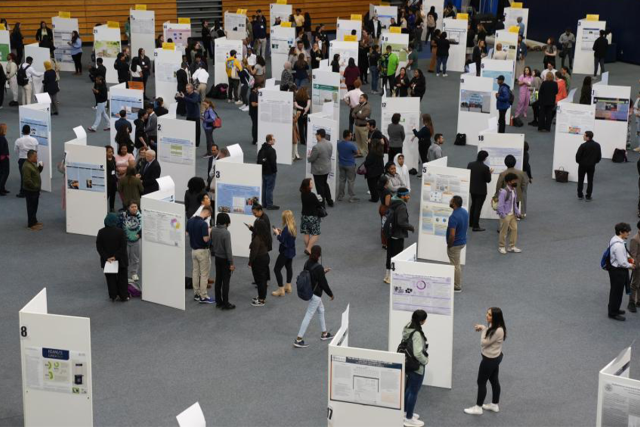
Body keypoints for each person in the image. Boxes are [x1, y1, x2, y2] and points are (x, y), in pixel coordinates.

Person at [464, 308, 507, 415]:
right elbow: (489, 334)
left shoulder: (498, 330)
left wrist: (483, 329)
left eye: (490, 315)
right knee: (494, 380)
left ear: (496, 317)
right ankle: (494, 404)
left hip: (490, 360)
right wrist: (485, 328)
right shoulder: (495, 326)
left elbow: (484, 342)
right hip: (495, 357)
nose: (486, 316)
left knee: (481, 382)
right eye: (487, 313)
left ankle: (478, 407)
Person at [293, 245, 334, 348]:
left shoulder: (307, 263)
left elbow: (311, 275)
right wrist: (331, 294)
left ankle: (324, 333)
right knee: (309, 315)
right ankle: (299, 339)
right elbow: (323, 283)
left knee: (321, 310)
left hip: (309, 291)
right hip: (316, 295)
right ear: (319, 255)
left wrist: (323, 272)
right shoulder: (319, 267)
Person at [402, 309, 429, 427]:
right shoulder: (417, 334)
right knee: (413, 391)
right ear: (422, 321)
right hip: (416, 366)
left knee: (408, 389)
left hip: (407, 362)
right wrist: (425, 360)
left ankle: (404, 412)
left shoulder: (408, 326)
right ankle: (409, 418)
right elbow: (418, 353)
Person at [96, 213, 130, 302]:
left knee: (110, 278)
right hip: (121, 260)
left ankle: (113, 296)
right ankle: (123, 296)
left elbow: (99, 247)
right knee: (122, 278)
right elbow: (123, 247)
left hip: (107, 261)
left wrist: (107, 257)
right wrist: (115, 257)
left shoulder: (101, 232)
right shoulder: (121, 232)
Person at [384, 187, 414, 283]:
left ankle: (387, 275)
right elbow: (401, 222)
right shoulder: (401, 206)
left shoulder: (393, 202)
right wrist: (411, 227)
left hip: (390, 233)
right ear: (403, 196)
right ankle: (393, 277)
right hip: (397, 234)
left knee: (389, 255)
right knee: (397, 256)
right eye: (407, 195)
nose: (409, 197)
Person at [606, 223, 635, 321]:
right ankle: (613, 313)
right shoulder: (618, 246)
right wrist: (631, 265)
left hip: (614, 269)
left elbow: (624, 255)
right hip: (618, 271)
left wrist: (629, 258)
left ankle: (615, 309)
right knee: (616, 292)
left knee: (615, 291)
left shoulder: (614, 239)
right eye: (627, 231)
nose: (629, 233)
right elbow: (622, 262)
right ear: (621, 232)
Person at [187, 205, 214, 304]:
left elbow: (187, 233)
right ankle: (204, 296)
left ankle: (196, 294)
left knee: (195, 272)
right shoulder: (203, 224)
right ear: (207, 213)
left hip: (193, 250)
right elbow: (205, 239)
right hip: (203, 251)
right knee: (204, 274)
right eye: (209, 215)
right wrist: (209, 232)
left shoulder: (190, 221)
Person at [210, 212, 236, 310]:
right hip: (225, 260)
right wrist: (231, 263)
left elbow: (212, 243)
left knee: (218, 280)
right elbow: (228, 250)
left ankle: (218, 301)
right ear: (226, 222)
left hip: (217, 258)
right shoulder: (226, 233)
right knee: (226, 282)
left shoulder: (213, 230)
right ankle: (226, 303)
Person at [272, 210, 297, 297]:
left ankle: (281, 289)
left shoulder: (286, 229)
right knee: (288, 267)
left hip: (285, 252)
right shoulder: (293, 226)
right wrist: (281, 232)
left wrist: (277, 234)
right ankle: (288, 286)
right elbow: (287, 237)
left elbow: (282, 240)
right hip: (291, 251)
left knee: (276, 269)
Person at [467, 151, 492, 232]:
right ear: (485, 158)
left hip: (472, 189)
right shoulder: (485, 168)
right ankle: (475, 226)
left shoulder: (470, 164)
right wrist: (489, 173)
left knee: (473, 205)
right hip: (481, 191)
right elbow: (488, 180)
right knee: (478, 208)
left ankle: (471, 223)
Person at [447, 196, 468, 292]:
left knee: (455, 265)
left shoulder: (453, 217)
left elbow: (452, 235)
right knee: (457, 263)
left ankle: (457, 285)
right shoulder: (464, 212)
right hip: (462, 241)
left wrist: (449, 244)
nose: (450, 202)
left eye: (451, 200)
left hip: (455, 244)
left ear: (454, 203)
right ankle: (456, 282)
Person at [497, 173, 521, 254]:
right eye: (513, 180)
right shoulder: (504, 192)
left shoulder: (514, 190)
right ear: (508, 182)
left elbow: (514, 203)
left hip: (513, 215)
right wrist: (503, 216)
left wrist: (517, 212)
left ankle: (512, 246)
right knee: (504, 232)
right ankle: (501, 246)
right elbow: (500, 205)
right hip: (506, 215)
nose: (515, 182)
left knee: (514, 229)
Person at [308, 129, 334, 207]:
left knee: (320, 188)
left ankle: (322, 204)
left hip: (318, 170)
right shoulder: (329, 143)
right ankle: (330, 201)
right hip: (326, 168)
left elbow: (311, 159)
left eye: (316, 135)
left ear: (319, 135)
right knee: (325, 184)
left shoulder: (316, 147)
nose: (315, 136)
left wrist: (308, 157)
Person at [119, 201, 142, 285]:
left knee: (135, 258)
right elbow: (119, 226)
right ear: (128, 208)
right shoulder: (123, 215)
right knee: (125, 258)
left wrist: (140, 234)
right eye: (132, 207)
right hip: (125, 241)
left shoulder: (141, 217)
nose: (134, 208)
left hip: (135, 241)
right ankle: (124, 273)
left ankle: (134, 273)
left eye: (135, 206)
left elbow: (144, 227)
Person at [249, 219, 271, 307]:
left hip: (258, 260)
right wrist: (252, 229)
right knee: (263, 279)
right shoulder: (265, 235)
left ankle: (261, 300)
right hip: (265, 257)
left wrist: (250, 262)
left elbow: (253, 252)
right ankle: (262, 296)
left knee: (259, 280)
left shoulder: (257, 239)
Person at [575, 131, 602, 201]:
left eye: (584, 135)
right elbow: (599, 157)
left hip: (582, 166)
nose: (583, 136)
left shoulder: (583, 146)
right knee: (590, 180)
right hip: (591, 166)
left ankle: (580, 195)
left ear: (587, 137)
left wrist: (580, 162)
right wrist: (594, 162)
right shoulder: (597, 145)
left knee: (580, 180)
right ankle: (588, 196)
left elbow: (577, 157)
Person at [14, 124, 38, 198]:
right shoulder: (34, 140)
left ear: (22, 131)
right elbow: (36, 150)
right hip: (32, 160)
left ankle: (23, 192)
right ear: (29, 131)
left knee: (23, 176)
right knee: (33, 176)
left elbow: (15, 151)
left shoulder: (18, 140)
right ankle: (34, 191)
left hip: (23, 160)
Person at [300, 178, 323, 254]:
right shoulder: (312, 195)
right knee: (315, 234)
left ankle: (308, 248)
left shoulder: (302, 194)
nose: (312, 184)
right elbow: (318, 204)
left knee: (306, 233)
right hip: (313, 217)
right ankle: (309, 248)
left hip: (304, 216)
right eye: (311, 183)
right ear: (308, 186)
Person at [22, 149, 43, 230]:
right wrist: (35, 187)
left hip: (34, 190)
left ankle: (34, 221)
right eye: (35, 156)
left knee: (34, 206)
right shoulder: (27, 166)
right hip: (31, 191)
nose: (36, 158)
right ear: (31, 157)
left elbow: (36, 172)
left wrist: (40, 168)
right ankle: (31, 224)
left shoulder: (31, 164)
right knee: (31, 207)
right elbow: (27, 180)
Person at [258, 134, 279, 210]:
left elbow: (259, 161)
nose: (274, 141)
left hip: (263, 172)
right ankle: (269, 204)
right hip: (270, 173)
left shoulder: (261, 149)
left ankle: (264, 204)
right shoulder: (272, 151)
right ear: (270, 141)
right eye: (273, 139)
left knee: (264, 187)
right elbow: (273, 163)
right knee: (269, 188)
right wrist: (274, 171)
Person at [337, 130, 359, 202]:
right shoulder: (351, 145)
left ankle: (340, 196)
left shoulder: (339, 144)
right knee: (351, 181)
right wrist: (353, 155)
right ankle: (351, 197)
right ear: (348, 136)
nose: (351, 136)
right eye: (350, 135)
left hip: (341, 164)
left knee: (342, 180)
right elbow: (357, 153)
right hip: (350, 165)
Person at [177, 83, 201, 148]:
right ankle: (189, 141)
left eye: (188, 88)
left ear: (191, 88)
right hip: (189, 115)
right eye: (186, 88)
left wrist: (184, 97)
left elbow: (194, 101)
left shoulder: (195, 95)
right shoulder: (186, 94)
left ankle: (196, 144)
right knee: (188, 129)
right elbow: (180, 99)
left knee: (197, 131)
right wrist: (178, 96)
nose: (186, 89)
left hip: (195, 115)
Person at [365, 138, 385, 202]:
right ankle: (377, 196)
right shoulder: (380, 152)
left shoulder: (372, 153)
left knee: (372, 186)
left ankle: (374, 198)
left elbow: (367, 162)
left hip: (371, 172)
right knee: (376, 185)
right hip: (379, 171)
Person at [626, 222, 640, 313]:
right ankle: (631, 302)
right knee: (635, 284)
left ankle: (639, 301)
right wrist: (634, 265)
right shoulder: (635, 239)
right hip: (638, 266)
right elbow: (632, 256)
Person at [522, 142, 532, 217]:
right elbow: (528, 166)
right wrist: (530, 176)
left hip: (520, 174)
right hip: (525, 175)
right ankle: (523, 212)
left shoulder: (520, 155)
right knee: (524, 194)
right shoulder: (526, 155)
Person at [0, 124, 9, 195]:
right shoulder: (2, 138)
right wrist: (4, 156)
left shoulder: (2, 137)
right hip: (4, 158)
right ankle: (1, 189)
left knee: (2, 173)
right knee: (5, 173)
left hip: (3, 157)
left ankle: (2, 188)